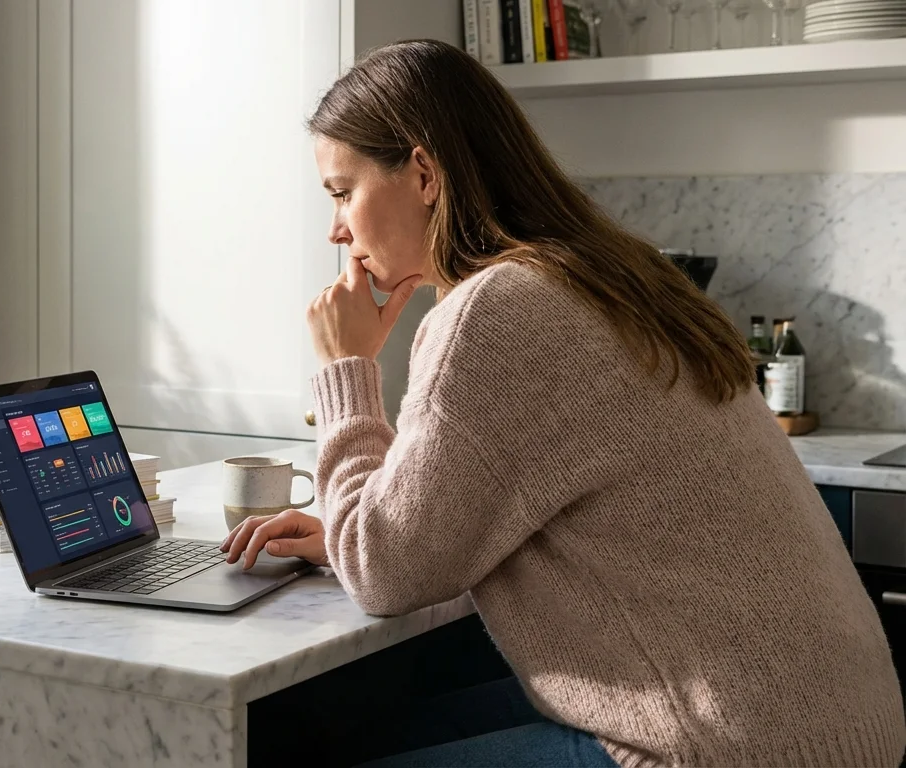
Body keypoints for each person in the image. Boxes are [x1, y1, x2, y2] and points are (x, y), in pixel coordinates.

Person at [220, 39, 905, 767]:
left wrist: (347, 367)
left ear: (422, 174)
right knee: (360, 732)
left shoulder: (496, 312)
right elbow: (445, 530)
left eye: (341, 192)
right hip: (834, 724)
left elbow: (384, 577)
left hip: (730, 748)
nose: (336, 230)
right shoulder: (607, 275)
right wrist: (353, 533)